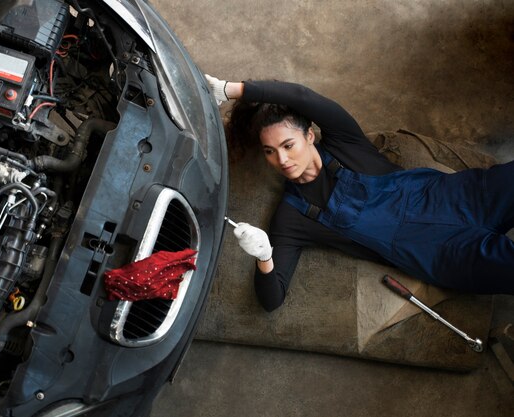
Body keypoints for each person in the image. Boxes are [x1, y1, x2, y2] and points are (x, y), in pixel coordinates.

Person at [205, 74, 514, 312]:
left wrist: (230, 89)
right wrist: (264, 256)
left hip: (461, 196)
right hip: (447, 256)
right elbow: (271, 299)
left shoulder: (344, 143)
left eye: (288, 146)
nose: (282, 160)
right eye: (270, 152)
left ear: (310, 136)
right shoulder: (293, 216)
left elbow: (301, 95)